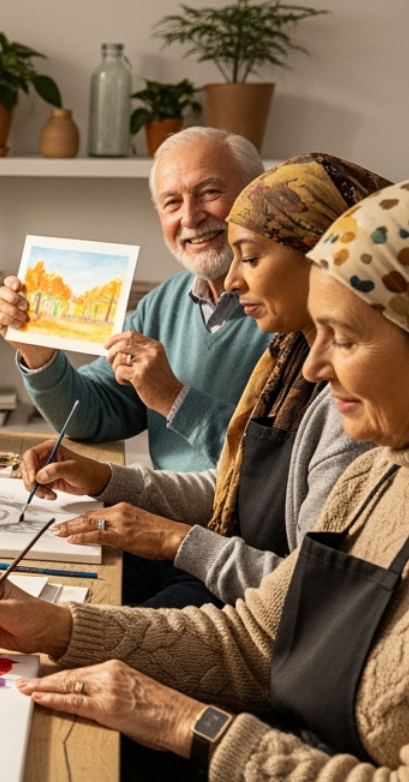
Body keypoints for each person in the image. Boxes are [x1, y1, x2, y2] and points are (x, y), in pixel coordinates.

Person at [0, 176, 409, 782]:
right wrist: (60, 626)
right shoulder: (385, 476)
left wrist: (189, 725)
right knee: (59, 773)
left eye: (346, 338)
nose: (312, 365)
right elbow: (254, 636)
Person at [19, 155, 386, 605]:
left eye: (210, 193)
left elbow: (314, 590)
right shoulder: (287, 352)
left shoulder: (347, 386)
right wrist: (102, 477)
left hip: (234, 576)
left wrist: (173, 536)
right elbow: (238, 480)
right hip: (212, 546)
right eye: (172, 201)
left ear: (318, 256)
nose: (233, 279)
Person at [0, 127, 272, 473]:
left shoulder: (291, 312)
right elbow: (93, 416)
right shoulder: (162, 304)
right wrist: (39, 356)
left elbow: (281, 464)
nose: (189, 217)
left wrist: (174, 398)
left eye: (210, 192)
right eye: (172, 203)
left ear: (256, 197)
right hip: (164, 508)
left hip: (238, 524)